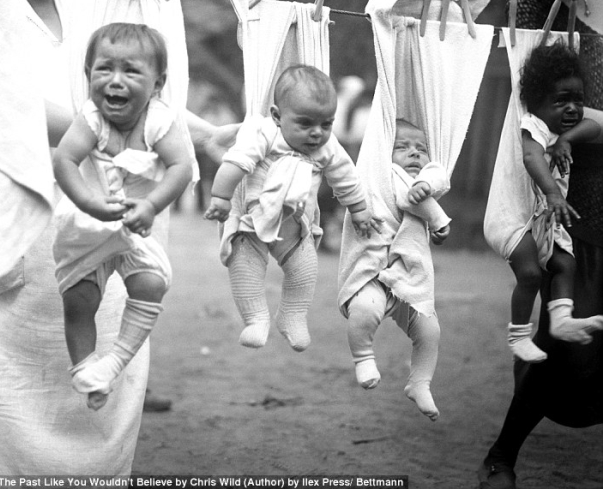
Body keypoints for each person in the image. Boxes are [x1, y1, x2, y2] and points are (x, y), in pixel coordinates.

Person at [0, 0, 232, 474]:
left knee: (99, 384)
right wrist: (106, 136)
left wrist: (203, 137)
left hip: (102, 220)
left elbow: (136, 94)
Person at [479, 0, 603, 487]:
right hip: (576, 198)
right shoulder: (536, 3)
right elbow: (533, 104)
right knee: (562, 345)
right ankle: (502, 454)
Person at [53, 23, 194, 410]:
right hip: (88, 223)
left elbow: (181, 166)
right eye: (104, 69)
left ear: (157, 83)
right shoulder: (91, 118)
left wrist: (151, 205)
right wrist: (88, 202)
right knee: (79, 299)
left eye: (131, 71)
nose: (115, 81)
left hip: (135, 225)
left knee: (151, 283)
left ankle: (113, 363)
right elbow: (64, 159)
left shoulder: (159, 120)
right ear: (88, 74)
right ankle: (86, 370)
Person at [204, 65, 380, 352]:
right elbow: (236, 162)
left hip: (295, 228)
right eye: (305, 123)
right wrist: (221, 198)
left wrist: (359, 210)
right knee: (244, 267)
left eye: (326, 124)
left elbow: (347, 178)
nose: (316, 133)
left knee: (305, 269)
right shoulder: (264, 133)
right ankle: (255, 318)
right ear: (277, 116)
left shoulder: (327, 147)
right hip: (252, 223)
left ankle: (292, 314)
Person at [341, 119, 450, 422]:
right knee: (365, 309)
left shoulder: (425, 181)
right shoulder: (379, 175)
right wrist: (439, 219)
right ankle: (363, 357)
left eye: (421, 149)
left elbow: (439, 176)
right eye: (402, 147)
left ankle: (420, 383)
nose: (414, 153)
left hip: (406, 275)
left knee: (430, 331)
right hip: (373, 270)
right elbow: (409, 199)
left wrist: (434, 216)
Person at [505, 42, 603, 363]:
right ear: (537, 103)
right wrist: (552, 192)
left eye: (578, 100)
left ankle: (561, 321)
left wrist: (567, 140)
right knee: (530, 274)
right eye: (561, 101)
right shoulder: (533, 125)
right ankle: (518, 335)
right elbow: (532, 157)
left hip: (546, 219)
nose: (572, 108)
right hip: (519, 217)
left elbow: (595, 125)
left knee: (565, 264)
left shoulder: (563, 130)